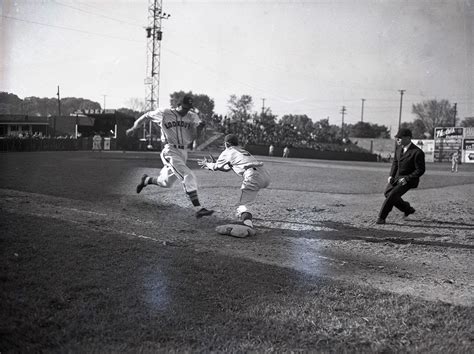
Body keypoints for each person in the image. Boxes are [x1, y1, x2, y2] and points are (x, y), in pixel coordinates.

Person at [126, 95, 214, 218]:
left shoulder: (192, 116)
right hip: (170, 150)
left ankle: (146, 180)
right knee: (187, 174)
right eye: (184, 107)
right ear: (178, 105)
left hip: (184, 152)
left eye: (188, 108)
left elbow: (194, 137)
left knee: (166, 182)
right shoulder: (165, 113)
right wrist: (134, 127)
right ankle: (199, 208)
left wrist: (199, 129)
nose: (186, 110)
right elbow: (146, 116)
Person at [198, 134, 271, 228]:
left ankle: (248, 224)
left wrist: (207, 164)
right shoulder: (242, 150)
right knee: (248, 196)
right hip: (265, 175)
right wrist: (214, 165)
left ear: (227, 144)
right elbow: (227, 168)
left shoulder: (227, 151)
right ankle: (244, 214)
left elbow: (216, 167)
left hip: (253, 175)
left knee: (243, 206)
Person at [376, 128, 425, 224]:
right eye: (396, 138)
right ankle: (407, 208)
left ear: (408, 138)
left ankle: (381, 217)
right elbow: (395, 163)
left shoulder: (417, 152)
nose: (397, 140)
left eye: (399, 138)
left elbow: (420, 170)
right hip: (397, 177)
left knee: (392, 195)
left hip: (409, 180)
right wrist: (391, 175)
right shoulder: (398, 149)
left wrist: (406, 179)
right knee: (387, 193)